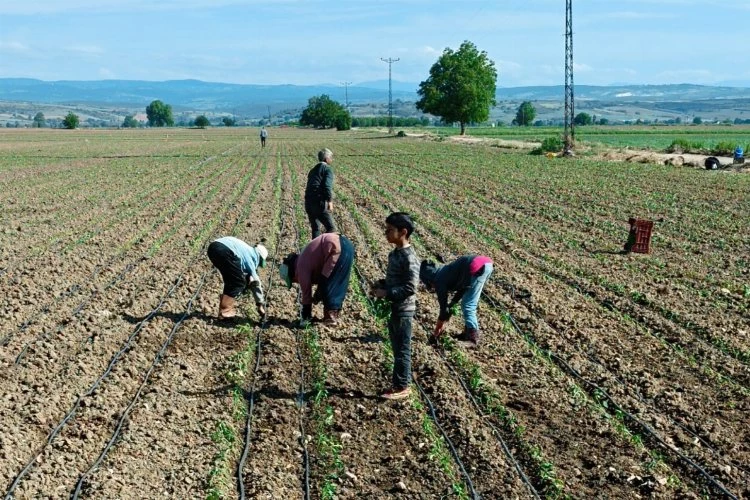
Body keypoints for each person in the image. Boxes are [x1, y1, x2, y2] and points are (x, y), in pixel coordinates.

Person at [372, 213, 420, 400]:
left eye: (390, 230)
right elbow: (396, 281)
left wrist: (388, 293)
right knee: (396, 347)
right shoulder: (395, 254)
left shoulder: (410, 258)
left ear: (403, 232)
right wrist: (382, 285)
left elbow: (410, 287)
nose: (386, 232)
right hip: (394, 308)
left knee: (402, 349)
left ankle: (402, 386)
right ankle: (400, 382)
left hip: (404, 310)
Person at [279, 232, 354, 326]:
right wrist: (318, 295)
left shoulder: (300, 267)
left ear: (291, 273)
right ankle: (333, 315)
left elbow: (306, 294)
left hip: (335, 247)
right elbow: (322, 279)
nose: (296, 281)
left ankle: (331, 317)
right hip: (346, 245)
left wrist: (305, 317)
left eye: (293, 280)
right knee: (336, 282)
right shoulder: (303, 258)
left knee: (330, 284)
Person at [419, 254, 494, 348]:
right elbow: (462, 289)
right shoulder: (444, 272)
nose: (433, 288)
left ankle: (472, 338)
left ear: (429, 280)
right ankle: (467, 333)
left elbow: (443, 309)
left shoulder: (439, 281)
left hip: (477, 267)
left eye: (430, 286)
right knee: (467, 303)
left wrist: (437, 331)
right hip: (485, 264)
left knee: (468, 305)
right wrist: (452, 304)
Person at [207, 236, 268, 320]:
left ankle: (223, 311)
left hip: (213, 248)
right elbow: (256, 283)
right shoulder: (251, 257)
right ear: (259, 257)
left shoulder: (247, 250)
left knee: (231, 280)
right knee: (238, 283)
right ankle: (225, 311)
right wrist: (260, 304)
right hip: (224, 250)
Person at [304, 148, 336, 239]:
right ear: (326, 159)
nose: (332, 159)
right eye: (331, 157)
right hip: (319, 202)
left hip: (308, 202)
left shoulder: (312, 170)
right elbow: (327, 187)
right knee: (331, 228)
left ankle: (315, 251)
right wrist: (329, 201)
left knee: (315, 229)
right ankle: (326, 249)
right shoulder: (327, 169)